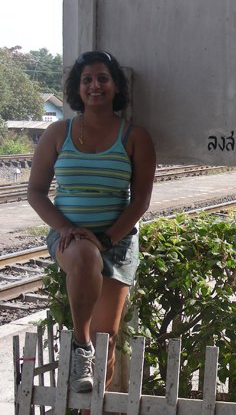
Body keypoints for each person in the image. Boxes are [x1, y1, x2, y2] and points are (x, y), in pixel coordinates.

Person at [27, 50, 156, 393]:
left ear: (116, 87)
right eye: (87, 80)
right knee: (85, 257)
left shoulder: (135, 137)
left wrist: (107, 238)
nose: (95, 86)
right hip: (70, 239)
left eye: (102, 78)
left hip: (118, 240)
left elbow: (141, 200)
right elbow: (36, 192)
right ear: (77, 88)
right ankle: (80, 347)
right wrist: (66, 228)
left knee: (108, 336)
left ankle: (91, 405)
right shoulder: (59, 133)